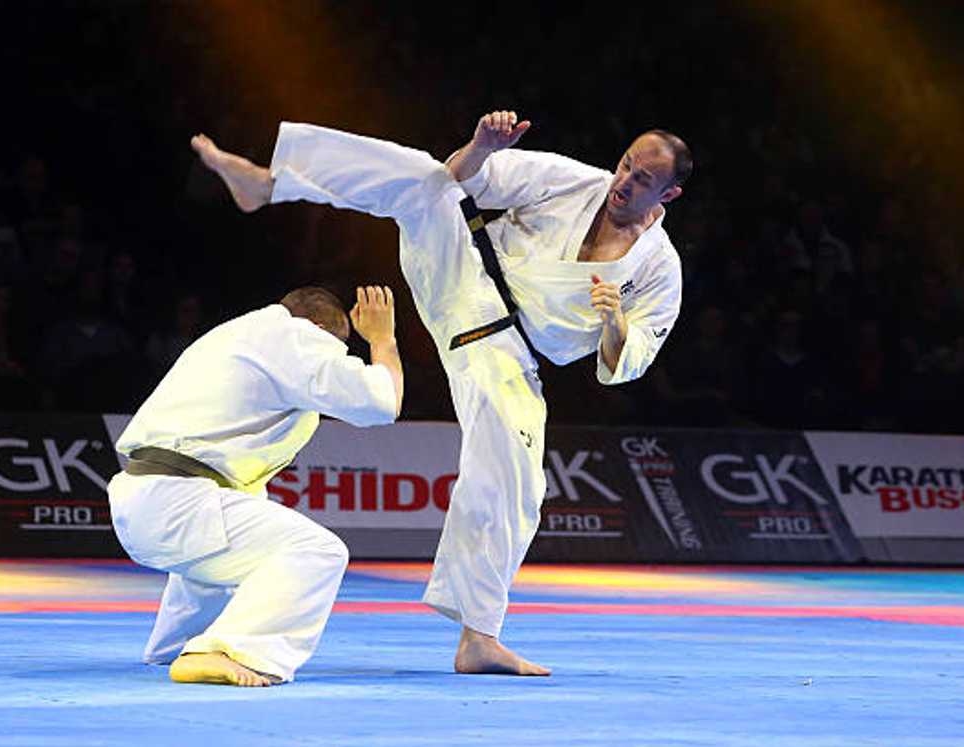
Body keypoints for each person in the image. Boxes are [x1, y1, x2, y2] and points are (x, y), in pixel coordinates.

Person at [190, 110, 689, 676]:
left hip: (507, 355)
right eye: (626, 165)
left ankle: (478, 638)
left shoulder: (659, 268)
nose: (623, 181)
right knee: (427, 181)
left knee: (517, 486)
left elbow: (632, 360)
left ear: (667, 193)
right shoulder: (573, 179)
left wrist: (616, 321)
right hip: (466, 273)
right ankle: (270, 184)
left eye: (642, 179)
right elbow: (465, 177)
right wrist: (480, 146)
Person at [108, 285, 404, 686]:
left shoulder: (232, 337)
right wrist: (383, 340)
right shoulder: (296, 336)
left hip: (146, 497)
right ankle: (228, 650)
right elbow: (381, 404)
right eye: (338, 346)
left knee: (237, 542)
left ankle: (178, 645)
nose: (335, 357)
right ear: (318, 326)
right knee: (318, 551)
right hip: (178, 502)